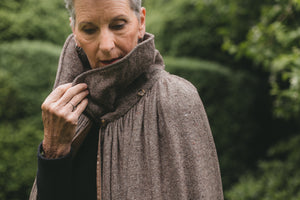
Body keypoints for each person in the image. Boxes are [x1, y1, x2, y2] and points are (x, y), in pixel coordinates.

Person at [29, 0, 223, 199]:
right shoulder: (66, 112)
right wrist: (54, 151)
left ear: (141, 22)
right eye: (89, 29)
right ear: (74, 32)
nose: (106, 45)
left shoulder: (176, 98)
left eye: (118, 25)